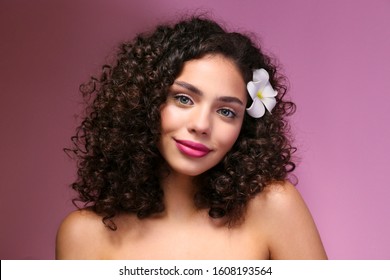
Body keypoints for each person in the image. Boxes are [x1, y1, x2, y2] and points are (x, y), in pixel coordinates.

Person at [56, 16, 327, 259]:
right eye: (184, 99)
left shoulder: (273, 208)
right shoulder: (83, 236)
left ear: (245, 127)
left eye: (226, 111)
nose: (201, 125)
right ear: (144, 102)